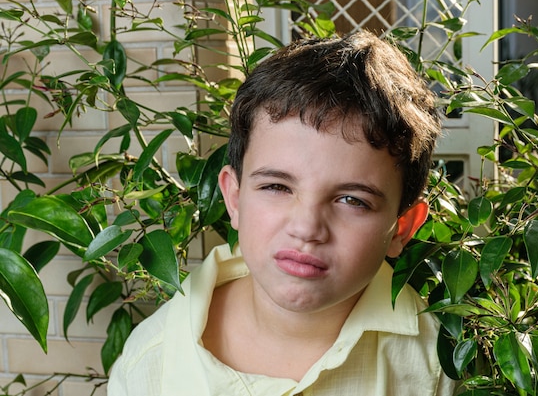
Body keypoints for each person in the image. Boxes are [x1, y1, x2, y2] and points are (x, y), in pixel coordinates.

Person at [108, 30, 458, 395]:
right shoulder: (151, 362)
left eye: (352, 200)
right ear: (234, 198)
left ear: (401, 228)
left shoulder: (439, 364)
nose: (307, 228)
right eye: (277, 187)